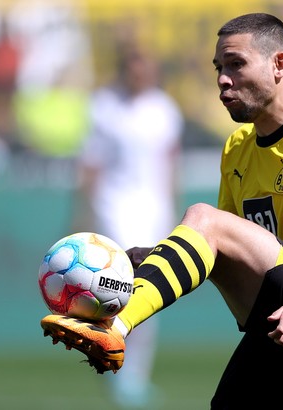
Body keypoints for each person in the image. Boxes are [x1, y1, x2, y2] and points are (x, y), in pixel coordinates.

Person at [41, 12, 283, 409]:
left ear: (280, 65)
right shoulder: (237, 147)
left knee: (205, 218)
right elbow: (219, 250)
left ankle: (114, 325)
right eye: (219, 68)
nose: (223, 79)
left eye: (236, 64)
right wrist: (157, 257)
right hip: (276, 322)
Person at [73, 43, 183, 409]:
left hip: (153, 211)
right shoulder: (105, 107)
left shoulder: (164, 110)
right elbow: (92, 163)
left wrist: (171, 210)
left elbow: (169, 165)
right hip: (113, 207)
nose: (142, 74)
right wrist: (84, 212)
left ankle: (134, 376)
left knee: (150, 293)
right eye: (135, 67)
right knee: (119, 292)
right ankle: (116, 369)